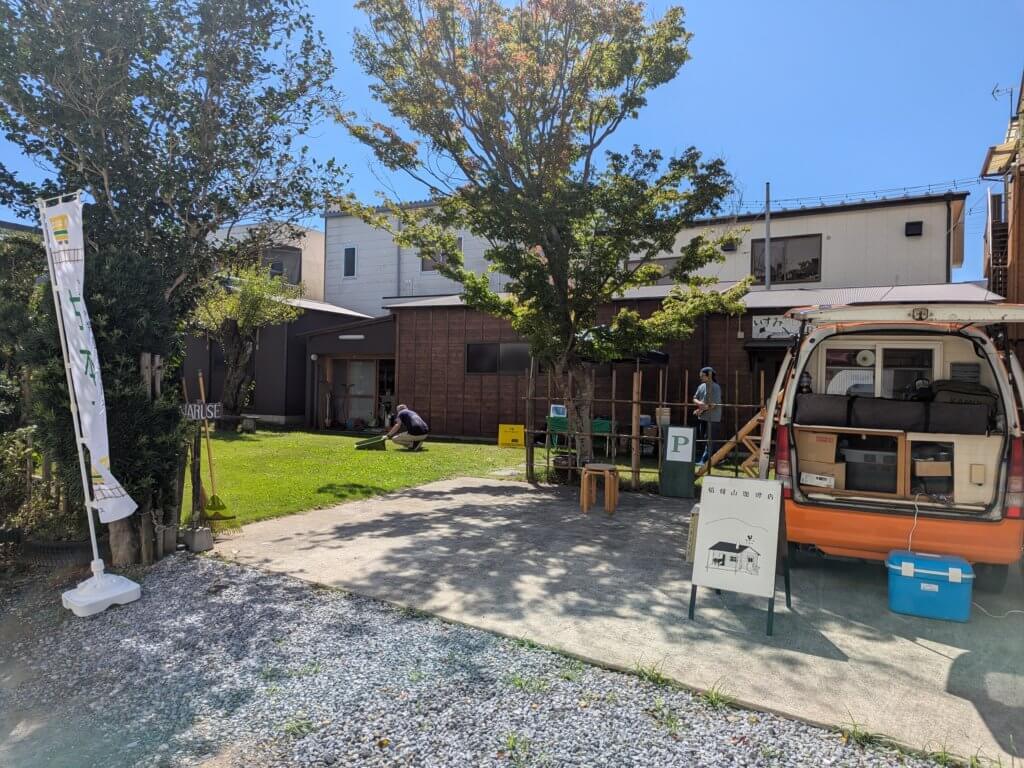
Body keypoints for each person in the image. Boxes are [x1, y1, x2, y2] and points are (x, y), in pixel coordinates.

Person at [693, 366, 722, 467]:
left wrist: (700, 410)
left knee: (709, 439)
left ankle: (705, 460)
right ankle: (719, 458)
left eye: (702, 376)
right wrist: (699, 403)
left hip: (713, 417)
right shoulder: (701, 386)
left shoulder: (716, 387)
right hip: (702, 417)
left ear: (709, 376)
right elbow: (695, 398)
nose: (700, 378)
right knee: (704, 438)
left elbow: (714, 404)